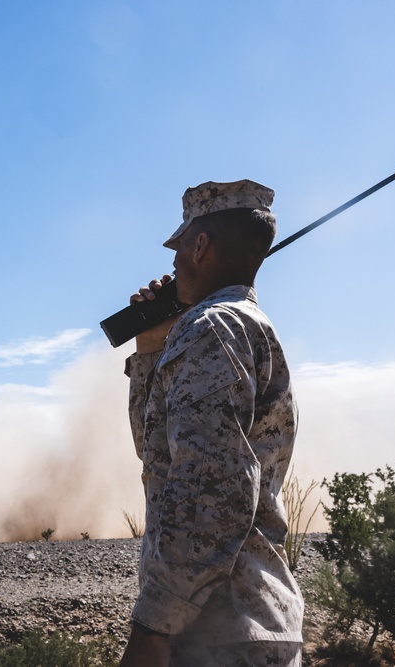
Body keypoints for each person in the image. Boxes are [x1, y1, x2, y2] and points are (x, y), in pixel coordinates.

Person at [118, 180, 304, 667]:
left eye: (179, 246)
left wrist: (154, 623)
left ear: (200, 245)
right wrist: (151, 348)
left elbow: (213, 487)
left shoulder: (211, 328)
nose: (174, 261)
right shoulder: (242, 326)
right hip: (248, 625)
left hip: (215, 635)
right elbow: (158, 451)